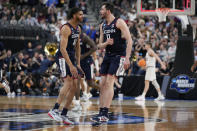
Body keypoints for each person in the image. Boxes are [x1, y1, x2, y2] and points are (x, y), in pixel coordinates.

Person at [91, 2, 133, 123]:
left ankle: (105, 112)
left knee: (109, 83)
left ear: (108, 11)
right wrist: (106, 43)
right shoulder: (102, 25)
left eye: (102, 9)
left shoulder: (119, 22)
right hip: (107, 56)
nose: (100, 11)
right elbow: (99, 45)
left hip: (118, 56)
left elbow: (129, 41)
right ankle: (100, 112)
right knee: (102, 84)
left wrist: (127, 58)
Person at [48, 7, 84, 125]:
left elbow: (78, 47)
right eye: (80, 14)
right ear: (74, 15)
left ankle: (64, 114)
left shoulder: (78, 28)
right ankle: (54, 110)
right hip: (62, 57)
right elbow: (62, 49)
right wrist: (71, 65)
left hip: (71, 58)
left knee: (75, 85)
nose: (82, 16)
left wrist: (77, 64)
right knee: (68, 82)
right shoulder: (66, 28)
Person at [72, 29, 99, 110]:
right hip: (78, 63)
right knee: (77, 81)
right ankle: (77, 103)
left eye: (77, 29)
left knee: (90, 83)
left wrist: (83, 55)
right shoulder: (73, 37)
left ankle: (103, 91)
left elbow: (94, 47)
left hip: (87, 62)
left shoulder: (84, 37)